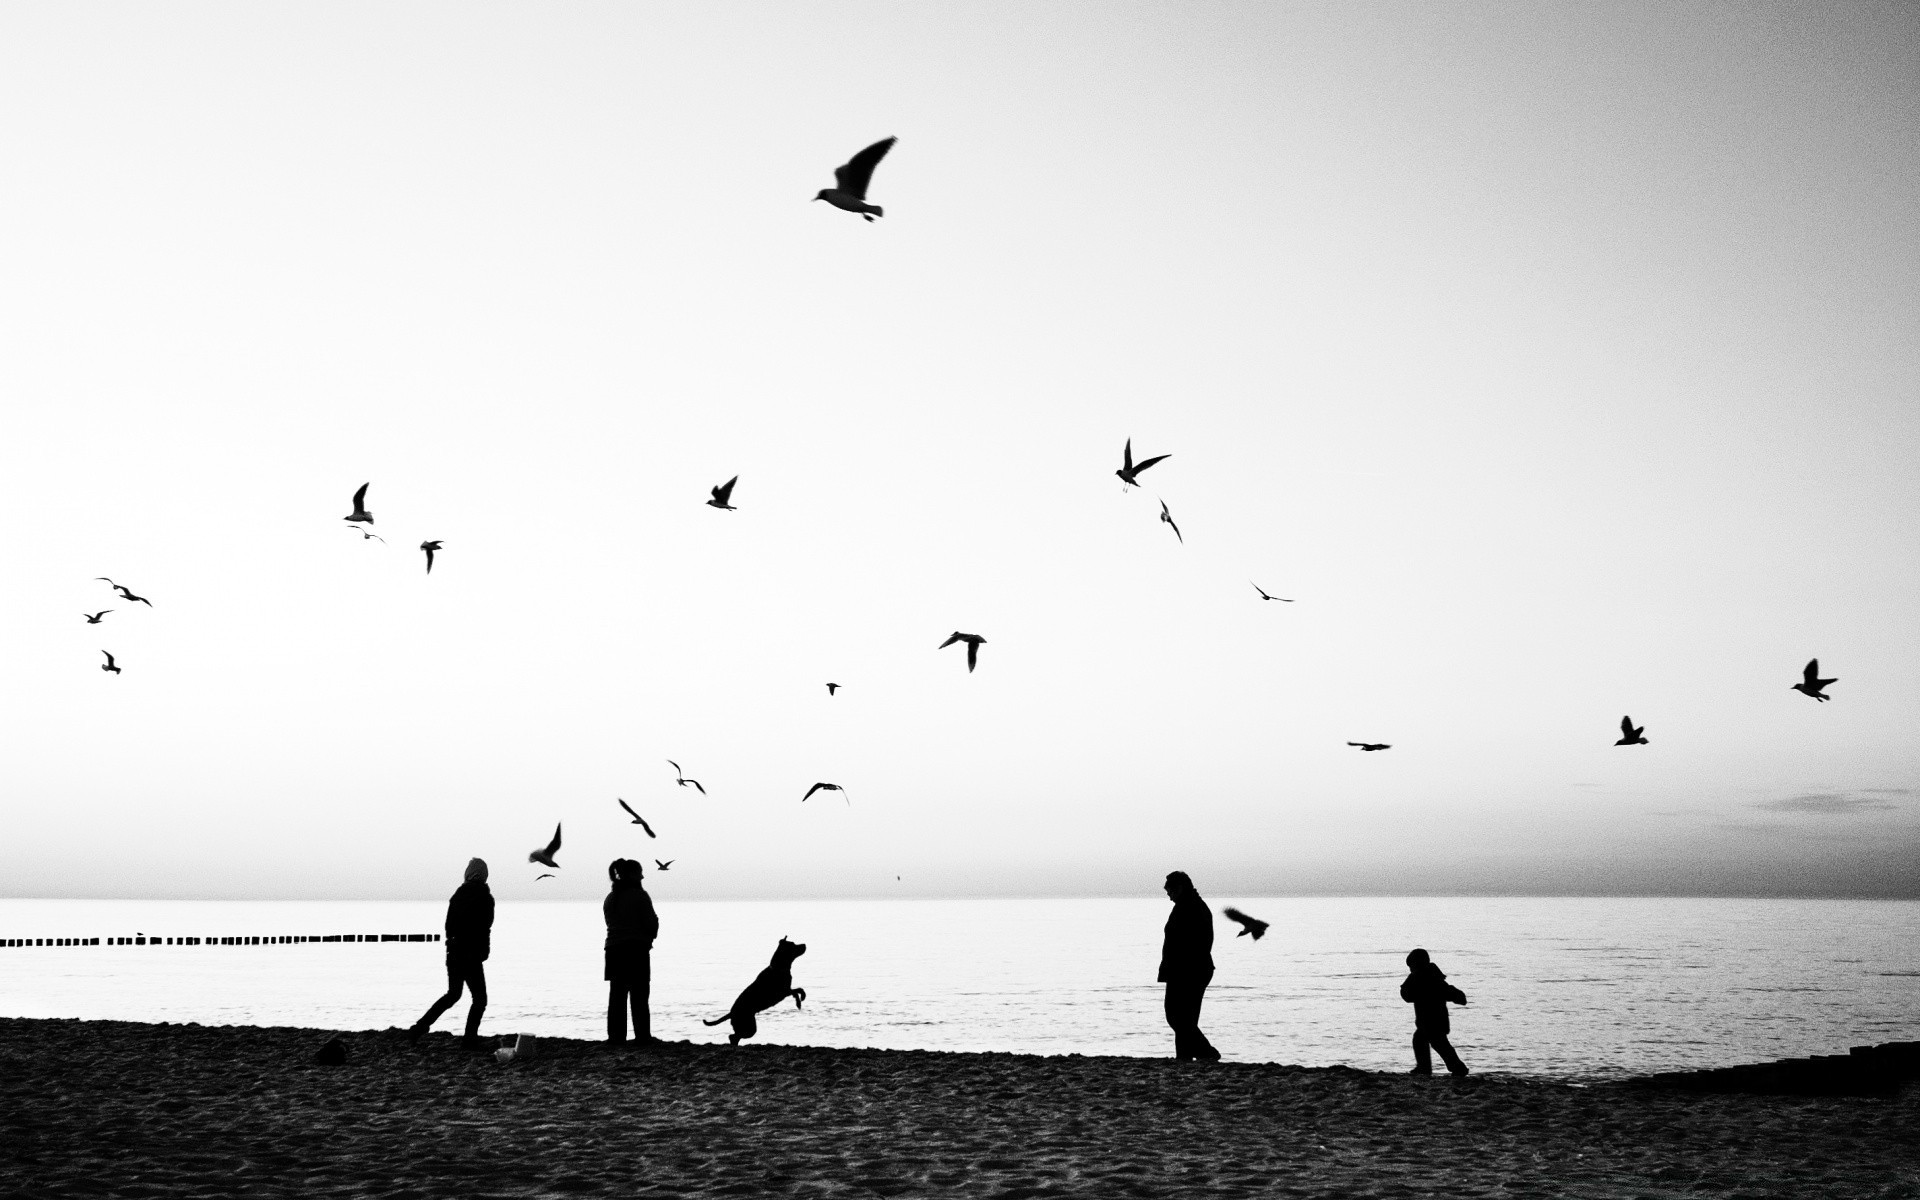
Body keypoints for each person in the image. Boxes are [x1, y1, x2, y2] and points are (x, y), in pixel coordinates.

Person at [409, 857, 494, 1048]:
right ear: (484, 875)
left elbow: (448, 925)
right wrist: (484, 951)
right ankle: (470, 1038)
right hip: (471, 955)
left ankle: (419, 1028)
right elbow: (485, 927)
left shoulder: (458, 895)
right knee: (480, 999)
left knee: (453, 994)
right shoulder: (484, 897)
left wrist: (452, 945)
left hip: (454, 952)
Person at [1158, 870, 1219, 1061]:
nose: (1168, 896)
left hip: (1189, 970)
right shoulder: (1187, 906)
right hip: (1186, 969)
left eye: (1170, 891)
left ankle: (1206, 1053)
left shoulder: (1192, 907)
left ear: (1180, 888)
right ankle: (1184, 1057)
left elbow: (1200, 942)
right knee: (1183, 1017)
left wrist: (1182, 966)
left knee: (1179, 1016)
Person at [604, 858, 659, 1045]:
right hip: (636, 950)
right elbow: (651, 924)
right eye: (640, 872)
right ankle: (642, 1036)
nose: (643, 876)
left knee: (617, 997)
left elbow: (611, 925)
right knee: (639, 996)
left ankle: (616, 1037)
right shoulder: (640, 896)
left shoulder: (611, 899)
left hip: (613, 950)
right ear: (633, 875)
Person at [1400, 947, 1470, 1076]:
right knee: (1427, 1042)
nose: (1410, 970)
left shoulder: (1431, 979)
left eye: (1412, 967)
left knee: (1439, 1045)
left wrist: (1458, 996)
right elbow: (1407, 995)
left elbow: (1447, 991)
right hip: (1428, 1023)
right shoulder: (1421, 978)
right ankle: (1426, 1068)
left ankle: (1456, 1068)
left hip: (1435, 1022)